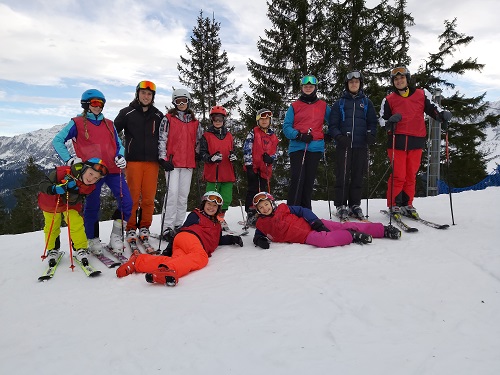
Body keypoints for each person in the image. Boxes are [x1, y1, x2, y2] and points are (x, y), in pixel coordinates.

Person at [52, 89, 133, 255]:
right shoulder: (76, 123)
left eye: (101, 103)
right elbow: (58, 140)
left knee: (127, 202)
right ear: (86, 104)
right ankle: (92, 238)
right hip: (91, 173)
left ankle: (116, 236)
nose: (98, 106)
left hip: (112, 169)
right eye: (94, 103)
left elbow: (119, 145)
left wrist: (121, 156)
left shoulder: (109, 124)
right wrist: (70, 160)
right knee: (92, 205)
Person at [115, 191, 244, 286]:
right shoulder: (196, 215)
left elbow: (217, 240)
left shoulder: (217, 225)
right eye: (209, 204)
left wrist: (232, 239)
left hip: (185, 246)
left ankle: (138, 262)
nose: (211, 208)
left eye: (214, 206)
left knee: (176, 260)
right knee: (201, 257)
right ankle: (168, 270)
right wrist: (169, 248)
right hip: (190, 238)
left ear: (218, 209)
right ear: (203, 204)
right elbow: (183, 229)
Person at [380, 67, 452, 218]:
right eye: (396, 79)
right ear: (393, 82)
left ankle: (407, 203)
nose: (399, 81)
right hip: (397, 142)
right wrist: (390, 121)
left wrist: (442, 115)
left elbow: (433, 109)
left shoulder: (421, 94)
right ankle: (394, 204)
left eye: (401, 78)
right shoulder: (389, 99)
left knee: (411, 174)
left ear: (407, 79)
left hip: (416, 140)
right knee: (399, 175)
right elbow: (382, 120)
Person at [251, 192, 401, 250]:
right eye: (261, 207)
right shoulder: (261, 224)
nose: (264, 208)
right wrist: (259, 241)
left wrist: (315, 222)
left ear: (272, 203)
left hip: (312, 223)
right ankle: (351, 236)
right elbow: (258, 234)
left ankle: (382, 230)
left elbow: (303, 210)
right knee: (324, 240)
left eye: (266, 204)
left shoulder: (284, 208)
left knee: (344, 225)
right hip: (304, 236)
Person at [114, 81, 164, 247]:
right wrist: (117, 152)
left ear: (153, 97)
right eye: (143, 93)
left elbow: (166, 137)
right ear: (137, 94)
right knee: (133, 196)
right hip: (133, 161)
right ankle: (130, 227)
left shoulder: (158, 115)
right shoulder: (127, 113)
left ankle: (144, 227)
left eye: (149, 94)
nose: (146, 96)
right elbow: (112, 133)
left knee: (149, 198)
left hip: (152, 162)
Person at [38, 158, 108, 266]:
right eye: (90, 174)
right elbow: (43, 184)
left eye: (95, 178)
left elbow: (77, 199)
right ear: (84, 169)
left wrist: (74, 190)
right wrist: (53, 188)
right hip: (51, 203)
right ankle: (52, 249)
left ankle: (80, 248)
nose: (91, 179)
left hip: (70, 205)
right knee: (52, 226)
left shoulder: (90, 187)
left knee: (76, 223)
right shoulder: (62, 172)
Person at [328, 71, 378, 221]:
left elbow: (372, 122)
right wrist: (338, 137)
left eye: (356, 82)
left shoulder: (367, 103)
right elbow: (333, 124)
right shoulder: (340, 103)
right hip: (344, 145)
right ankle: (341, 205)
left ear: (360, 84)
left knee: (358, 175)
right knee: (342, 175)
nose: (354, 84)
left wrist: (371, 135)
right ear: (347, 85)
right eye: (351, 82)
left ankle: (355, 204)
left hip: (360, 145)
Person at [158, 88, 203, 241]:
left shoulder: (195, 122)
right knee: (172, 195)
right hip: (172, 163)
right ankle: (167, 227)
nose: (182, 103)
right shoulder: (168, 119)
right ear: (174, 103)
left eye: (184, 100)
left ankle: (178, 225)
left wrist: (197, 153)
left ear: (188, 101)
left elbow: (198, 140)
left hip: (188, 163)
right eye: (178, 101)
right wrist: (162, 159)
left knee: (183, 196)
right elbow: (162, 139)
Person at [282, 75, 331, 209]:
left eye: (311, 86)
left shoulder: (323, 105)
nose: (308, 88)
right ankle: (292, 210)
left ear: (315, 88)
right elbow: (286, 127)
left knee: (309, 181)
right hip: (298, 147)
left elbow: (334, 120)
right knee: (297, 178)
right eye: (305, 86)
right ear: (302, 88)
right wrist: (299, 136)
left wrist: (330, 133)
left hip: (315, 148)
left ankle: (306, 211)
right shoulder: (294, 106)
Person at [199, 105, 236, 231]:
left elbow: (233, 150)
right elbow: (202, 154)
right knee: (211, 199)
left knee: (226, 198)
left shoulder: (229, 135)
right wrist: (210, 158)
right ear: (212, 120)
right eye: (215, 118)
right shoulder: (206, 136)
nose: (218, 121)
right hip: (213, 173)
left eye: (220, 119)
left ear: (224, 120)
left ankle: (220, 218)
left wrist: (233, 156)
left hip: (227, 172)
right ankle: (210, 219)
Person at [243, 108, 279, 227]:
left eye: (267, 119)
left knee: (264, 191)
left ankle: (265, 213)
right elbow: (247, 148)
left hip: (266, 168)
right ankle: (251, 214)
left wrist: (272, 158)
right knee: (253, 189)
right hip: (254, 167)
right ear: (258, 120)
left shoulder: (273, 135)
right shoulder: (253, 132)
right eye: (262, 119)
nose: (264, 121)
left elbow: (277, 151)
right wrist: (248, 165)